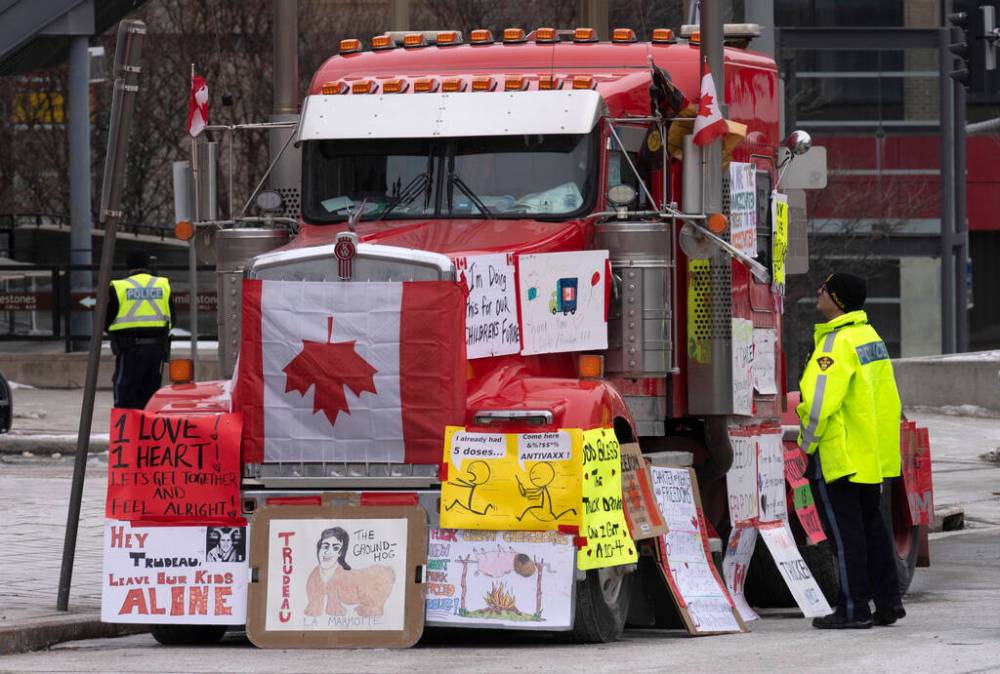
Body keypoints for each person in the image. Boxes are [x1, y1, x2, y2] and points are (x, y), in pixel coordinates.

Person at [797, 272, 905, 629]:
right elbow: (887, 401)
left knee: (846, 537)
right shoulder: (870, 338)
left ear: (838, 299)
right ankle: (888, 603)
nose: (818, 292)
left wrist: (806, 444)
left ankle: (853, 608)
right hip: (868, 456)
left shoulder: (836, 343)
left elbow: (818, 404)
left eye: (825, 289)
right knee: (872, 529)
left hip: (839, 456)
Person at [105, 250, 174, 409]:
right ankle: (147, 430)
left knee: (125, 393)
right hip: (156, 350)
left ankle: (127, 431)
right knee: (150, 394)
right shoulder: (162, 284)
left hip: (129, 350)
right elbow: (172, 318)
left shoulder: (119, 286)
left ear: (128, 266)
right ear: (147, 265)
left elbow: (107, 321)